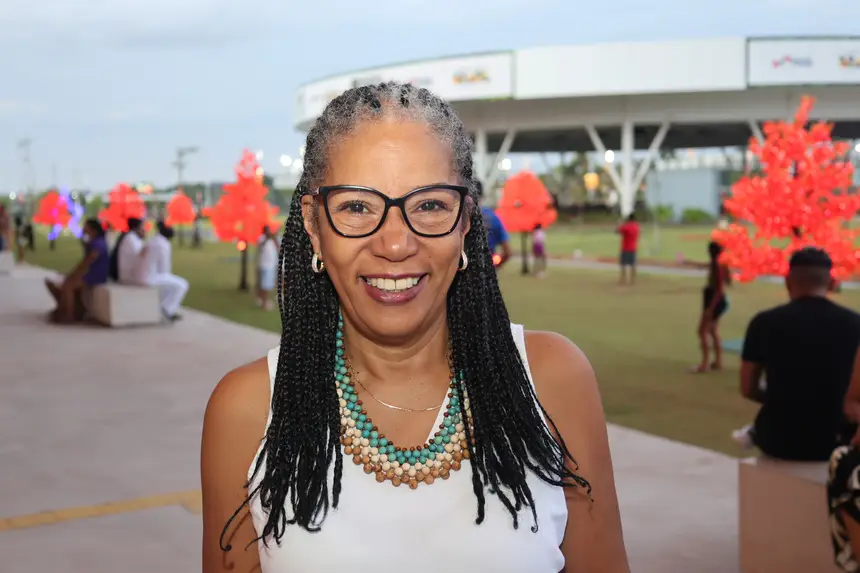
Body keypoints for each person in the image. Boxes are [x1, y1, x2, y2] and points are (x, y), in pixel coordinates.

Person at [201, 82, 629, 573]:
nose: (396, 244)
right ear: (315, 227)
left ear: (466, 220)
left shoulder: (553, 381)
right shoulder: (248, 409)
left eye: (429, 205)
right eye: (357, 207)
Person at [738, 247, 860, 461]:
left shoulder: (764, 323)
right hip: (837, 440)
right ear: (832, 283)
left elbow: (748, 388)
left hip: (778, 439)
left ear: (788, 282)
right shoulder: (855, 324)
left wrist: (784, 399)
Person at [44, 219, 109, 324]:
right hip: (89, 272)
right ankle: (68, 310)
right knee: (65, 283)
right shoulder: (92, 242)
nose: (84, 229)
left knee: (68, 286)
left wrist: (75, 273)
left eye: (86, 227)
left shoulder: (99, 242)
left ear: (93, 229)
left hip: (96, 275)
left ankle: (68, 315)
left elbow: (89, 260)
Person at [690, 241, 731, 373]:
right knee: (712, 331)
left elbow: (719, 290)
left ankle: (704, 364)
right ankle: (718, 362)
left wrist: (710, 309)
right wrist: (688, 262)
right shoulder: (718, 264)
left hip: (714, 300)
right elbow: (726, 282)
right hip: (715, 300)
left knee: (702, 331)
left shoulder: (717, 266)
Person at [139, 221, 188, 321]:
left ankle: (166, 309)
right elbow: (165, 268)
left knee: (171, 285)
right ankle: (167, 310)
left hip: (143, 275)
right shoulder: (164, 244)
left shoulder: (151, 240)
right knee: (182, 284)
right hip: (150, 278)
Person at [477, 181, 512, 268]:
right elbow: (507, 252)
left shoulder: (457, 217)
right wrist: (495, 267)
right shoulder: (493, 217)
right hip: (486, 269)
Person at [109, 217, 146, 284]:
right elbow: (140, 256)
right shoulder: (130, 238)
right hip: (128, 278)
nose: (144, 230)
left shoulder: (131, 237)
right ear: (135, 228)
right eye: (142, 227)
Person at [257, 226, 279, 310]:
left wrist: (274, 238)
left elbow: (278, 248)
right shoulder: (262, 239)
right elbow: (261, 246)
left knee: (268, 285)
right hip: (265, 266)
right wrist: (268, 237)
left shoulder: (271, 240)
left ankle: (265, 301)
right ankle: (264, 303)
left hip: (271, 266)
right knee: (265, 286)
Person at [616, 213, 639, 285]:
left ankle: (623, 279)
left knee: (623, 264)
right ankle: (633, 280)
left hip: (625, 248)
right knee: (633, 264)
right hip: (633, 248)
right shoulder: (636, 226)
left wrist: (620, 224)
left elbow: (617, 231)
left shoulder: (627, 227)